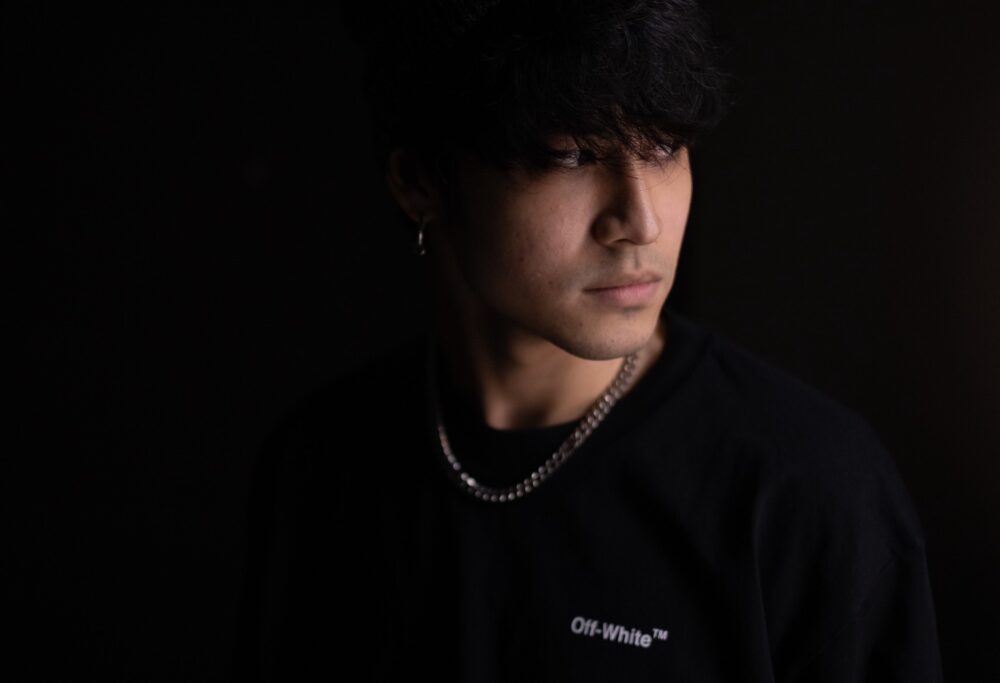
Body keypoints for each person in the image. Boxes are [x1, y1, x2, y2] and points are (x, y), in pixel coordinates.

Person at [231, 1, 945, 680]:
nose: (640, 221)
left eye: (664, 146)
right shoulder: (319, 469)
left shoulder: (808, 491)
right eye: (572, 156)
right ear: (420, 182)